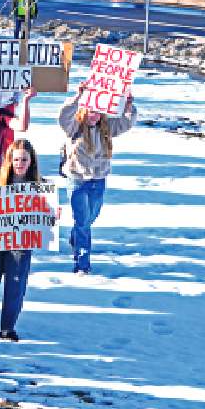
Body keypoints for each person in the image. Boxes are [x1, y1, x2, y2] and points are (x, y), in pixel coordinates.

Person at [0, 140, 47, 341]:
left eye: (24, 159)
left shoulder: (39, 186)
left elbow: (47, 213)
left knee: (16, 283)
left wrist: (52, 213)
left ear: (31, 161)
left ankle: (8, 327)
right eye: (16, 159)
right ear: (9, 160)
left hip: (21, 242)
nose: (20, 163)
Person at [60, 83, 137, 274]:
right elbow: (63, 116)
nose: (93, 116)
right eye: (90, 112)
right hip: (77, 179)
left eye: (97, 112)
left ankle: (76, 236)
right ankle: (82, 263)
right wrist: (78, 96)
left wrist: (128, 106)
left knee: (91, 216)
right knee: (82, 221)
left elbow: (126, 123)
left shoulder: (107, 127)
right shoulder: (74, 127)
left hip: (99, 179)